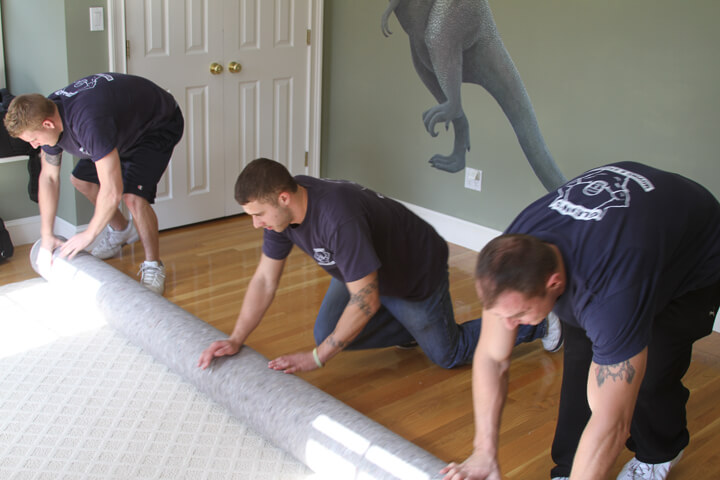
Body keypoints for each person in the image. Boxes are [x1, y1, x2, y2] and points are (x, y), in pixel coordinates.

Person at [441, 162, 720, 480]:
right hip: (628, 238)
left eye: (518, 316)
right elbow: (492, 356)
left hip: (695, 258)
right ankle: (571, 466)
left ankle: (660, 452)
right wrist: (483, 454)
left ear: (554, 283)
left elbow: (612, 422)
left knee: (652, 375)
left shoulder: (611, 296)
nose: (509, 326)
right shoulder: (513, 257)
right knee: (580, 364)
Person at [198, 158, 562, 373]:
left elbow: (365, 301)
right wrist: (235, 339)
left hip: (413, 270)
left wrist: (317, 359)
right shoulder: (283, 216)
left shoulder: (337, 218)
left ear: (282, 197)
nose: (255, 224)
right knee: (328, 330)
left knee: (446, 355)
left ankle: (541, 324)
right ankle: (408, 328)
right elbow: (264, 280)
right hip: (362, 270)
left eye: (258, 214)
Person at [4, 73, 184, 295]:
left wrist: (88, 234)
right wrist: (46, 235)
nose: (34, 146)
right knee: (81, 180)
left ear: (48, 124)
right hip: (121, 128)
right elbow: (49, 178)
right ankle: (121, 231)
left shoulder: (88, 123)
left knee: (132, 197)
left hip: (156, 125)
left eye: (34, 139)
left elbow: (112, 191)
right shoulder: (47, 112)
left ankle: (153, 265)